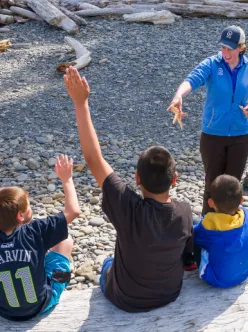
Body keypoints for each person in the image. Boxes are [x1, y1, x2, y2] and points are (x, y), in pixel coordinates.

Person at [64, 67, 193, 312]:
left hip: (126, 298)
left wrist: (81, 103)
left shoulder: (127, 207)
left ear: (137, 179)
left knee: (107, 266)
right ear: (174, 179)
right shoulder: (185, 212)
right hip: (169, 292)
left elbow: (93, 159)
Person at [168, 25, 248, 215]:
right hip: (212, 135)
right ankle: (207, 228)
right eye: (223, 47)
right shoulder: (212, 64)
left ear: (241, 47)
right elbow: (192, 80)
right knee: (212, 185)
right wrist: (179, 96)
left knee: (233, 187)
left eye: (230, 48)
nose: (225, 52)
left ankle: (230, 229)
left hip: (241, 135)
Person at [0, 155, 80, 321]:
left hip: (5, 311)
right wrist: (67, 179)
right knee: (66, 241)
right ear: (20, 216)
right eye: (29, 205)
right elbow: (73, 212)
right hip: (40, 305)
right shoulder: (35, 232)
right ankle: (62, 281)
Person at [193, 175, 248, 288]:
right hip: (244, 273)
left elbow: (195, 236)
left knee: (194, 226)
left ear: (211, 202)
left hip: (216, 279)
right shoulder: (246, 215)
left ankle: (188, 263)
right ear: (241, 200)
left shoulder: (208, 226)